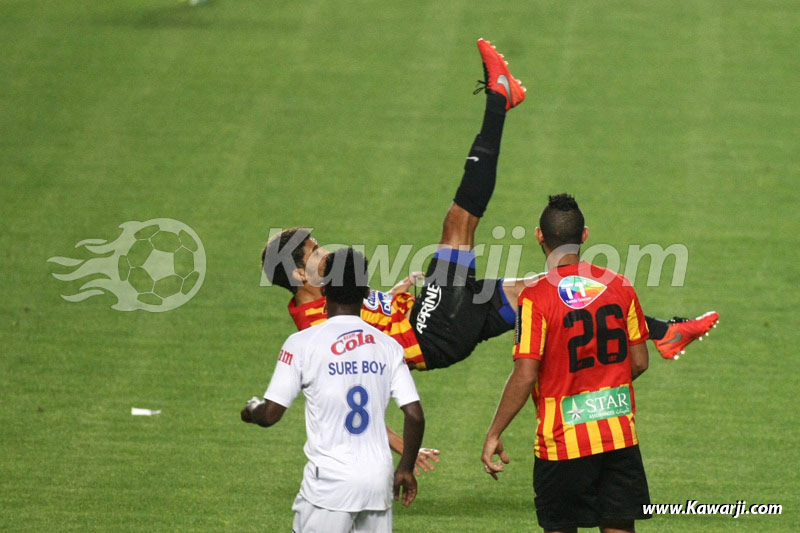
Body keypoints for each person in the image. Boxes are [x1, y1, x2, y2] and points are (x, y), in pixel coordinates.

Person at [262, 38, 718, 372]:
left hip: (434, 324)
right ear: (301, 275)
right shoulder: (312, 332)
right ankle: (499, 96)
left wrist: (391, 297)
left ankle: (663, 332)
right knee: (458, 224)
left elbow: (367, 323)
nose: (326, 252)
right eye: (316, 252)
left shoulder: (328, 303)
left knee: (542, 289)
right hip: (433, 332)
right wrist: (405, 448)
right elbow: (348, 384)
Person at [482, 193, 652, 533]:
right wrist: (602, 382)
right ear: (584, 235)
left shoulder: (535, 298)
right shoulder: (620, 285)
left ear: (540, 236)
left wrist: (494, 432)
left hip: (562, 443)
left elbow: (526, 374)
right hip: (618, 437)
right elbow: (639, 361)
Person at [242, 248, 425, 533]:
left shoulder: (302, 344)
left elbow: (270, 415)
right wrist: (406, 468)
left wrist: (251, 410)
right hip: (378, 481)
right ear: (366, 292)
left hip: (329, 484)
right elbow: (414, 414)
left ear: (324, 289)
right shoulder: (389, 346)